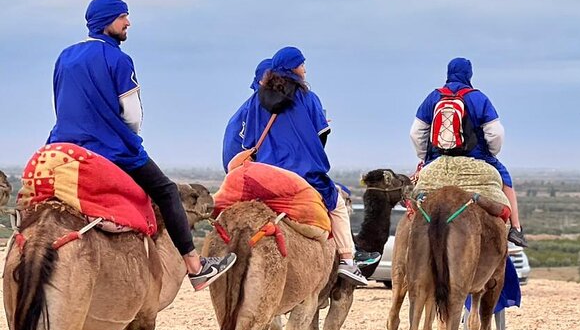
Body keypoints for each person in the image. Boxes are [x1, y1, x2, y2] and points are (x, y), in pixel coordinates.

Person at [47, 0, 237, 291]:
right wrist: (124, 135)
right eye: (123, 17)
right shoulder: (118, 59)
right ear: (107, 21)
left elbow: (60, 102)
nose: (128, 23)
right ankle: (195, 267)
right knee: (166, 192)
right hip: (111, 149)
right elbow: (132, 115)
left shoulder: (65, 56)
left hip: (64, 149)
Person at [241, 46, 380, 285]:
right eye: (302, 64)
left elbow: (249, 143)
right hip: (302, 176)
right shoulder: (308, 98)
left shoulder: (256, 101)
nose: (305, 68)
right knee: (336, 204)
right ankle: (348, 260)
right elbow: (321, 135)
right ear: (293, 67)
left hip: (265, 175)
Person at [409, 57, 528, 247]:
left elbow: (416, 133)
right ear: (469, 74)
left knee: (414, 196)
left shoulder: (433, 97)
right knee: (506, 179)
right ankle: (516, 228)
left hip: (438, 159)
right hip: (477, 158)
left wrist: (426, 158)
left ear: (448, 73)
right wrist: (490, 154)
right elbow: (495, 134)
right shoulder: (478, 98)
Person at [222, 58, 272, 172]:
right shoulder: (261, 107)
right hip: (246, 170)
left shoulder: (248, 108)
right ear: (261, 81)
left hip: (235, 170)